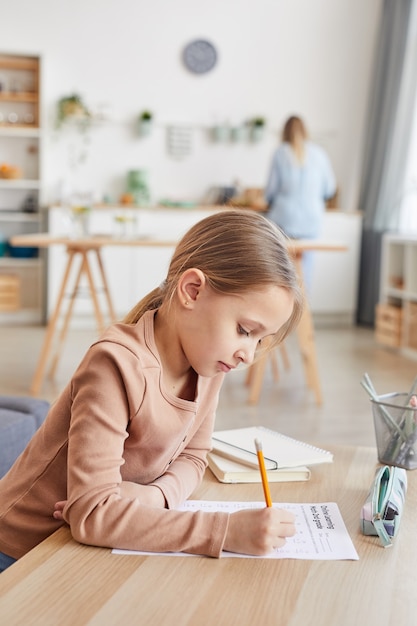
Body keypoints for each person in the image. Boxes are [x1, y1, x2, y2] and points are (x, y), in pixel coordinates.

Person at [0, 210, 303, 572]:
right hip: (23, 553)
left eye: (260, 339)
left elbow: (194, 457)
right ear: (192, 291)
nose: (248, 355)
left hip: (87, 549)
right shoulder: (114, 364)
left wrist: (154, 495)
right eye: (244, 330)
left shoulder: (208, 362)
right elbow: (94, 514)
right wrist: (224, 532)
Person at [265, 115, 336, 292]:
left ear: (285, 132)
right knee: (306, 271)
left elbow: (270, 191)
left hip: (284, 220)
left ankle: (283, 315)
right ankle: (303, 311)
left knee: (281, 269)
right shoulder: (319, 153)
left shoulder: (281, 153)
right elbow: (330, 188)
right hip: (311, 221)